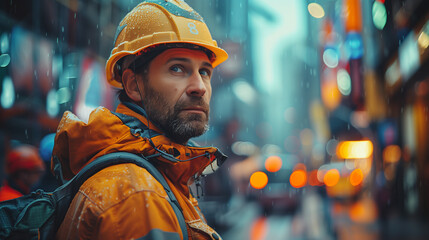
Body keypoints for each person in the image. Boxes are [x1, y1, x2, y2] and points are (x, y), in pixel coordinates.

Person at [52, 1, 228, 239]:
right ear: (134, 85)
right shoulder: (137, 193)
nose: (199, 87)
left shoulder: (154, 175)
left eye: (204, 71)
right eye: (177, 68)